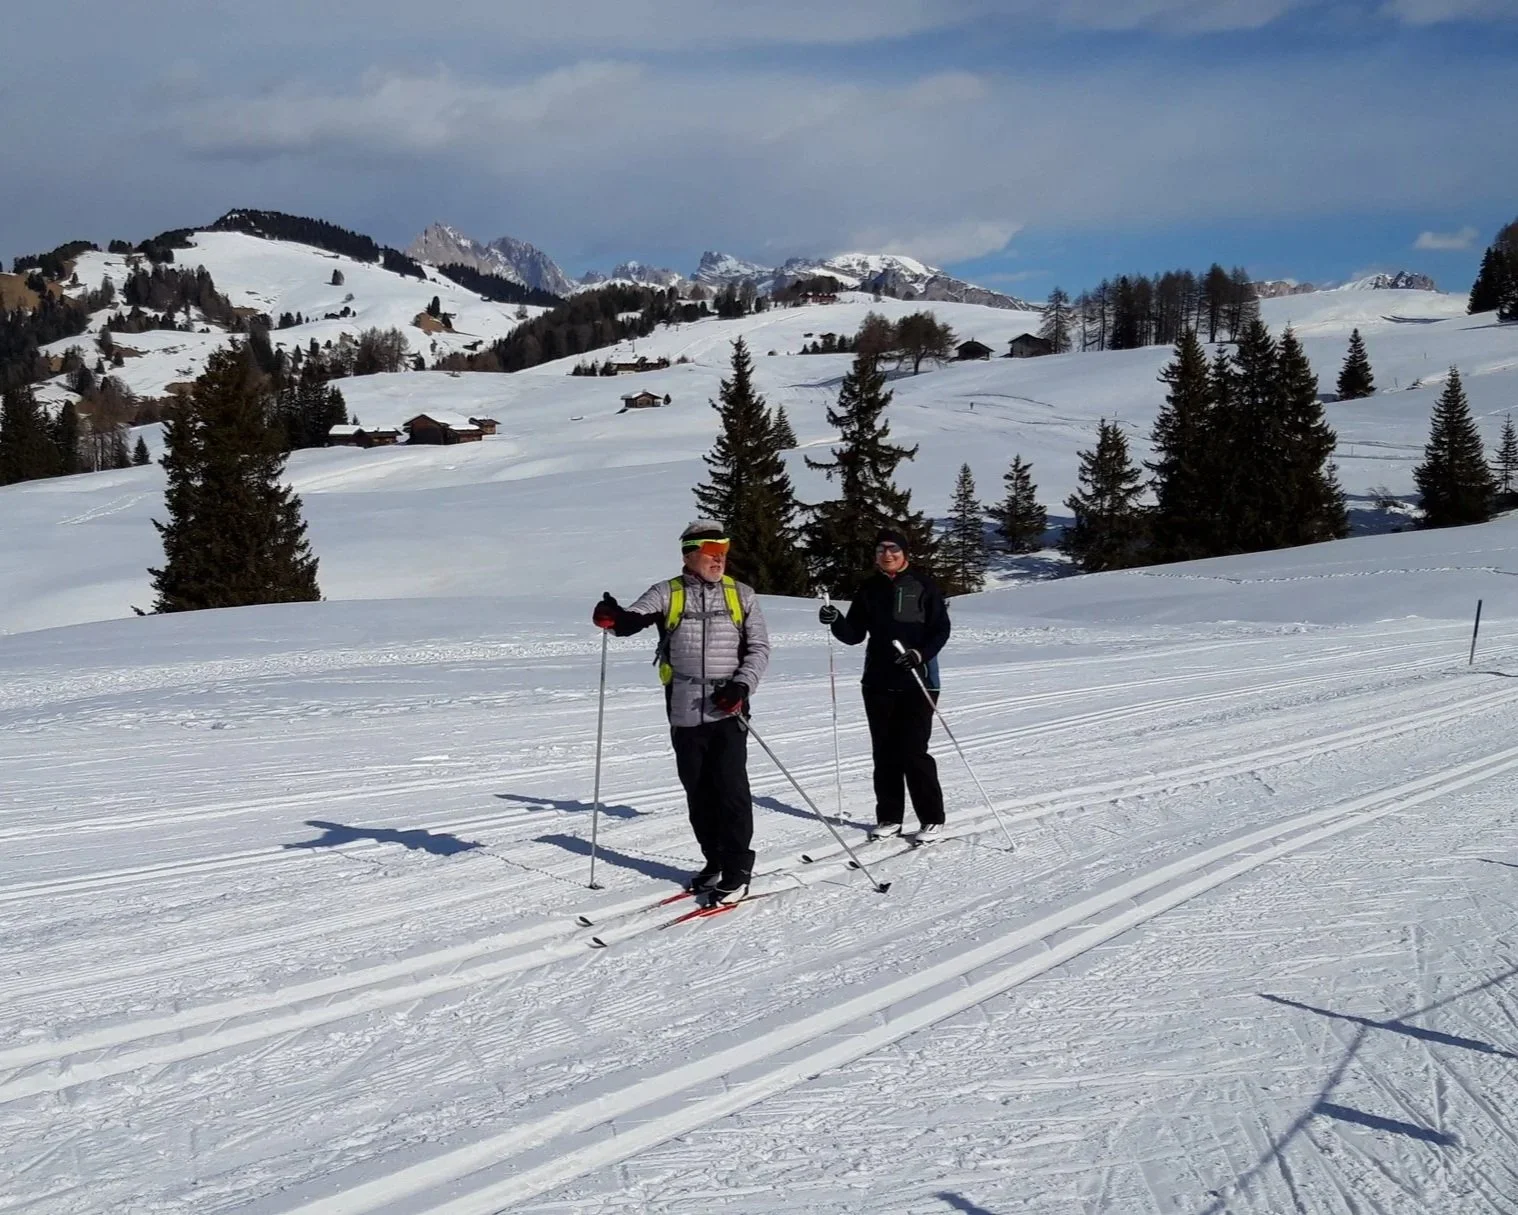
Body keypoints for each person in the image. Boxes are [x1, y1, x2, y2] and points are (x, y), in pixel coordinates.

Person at [591, 519, 771, 904]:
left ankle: (739, 867)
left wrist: (741, 686)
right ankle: (715, 860)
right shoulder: (667, 593)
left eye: (722, 553)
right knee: (698, 791)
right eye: (710, 553)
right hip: (684, 708)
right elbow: (632, 621)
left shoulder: (742, 594)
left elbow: (759, 650)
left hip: (729, 707)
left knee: (731, 789)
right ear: (690, 555)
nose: (718, 560)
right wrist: (613, 615)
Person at [819, 527, 950, 842]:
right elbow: (853, 635)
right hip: (877, 681)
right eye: (880, 550)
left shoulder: (923, 586)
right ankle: (890, 817)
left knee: (913, 751)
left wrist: (919, 655)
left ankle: (932, 818)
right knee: (885, 753)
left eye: (893, 549)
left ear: (905, 553)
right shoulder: (869, 588)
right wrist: (834, 619)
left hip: (919, 682)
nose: (887, 554)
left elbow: (940, 630)